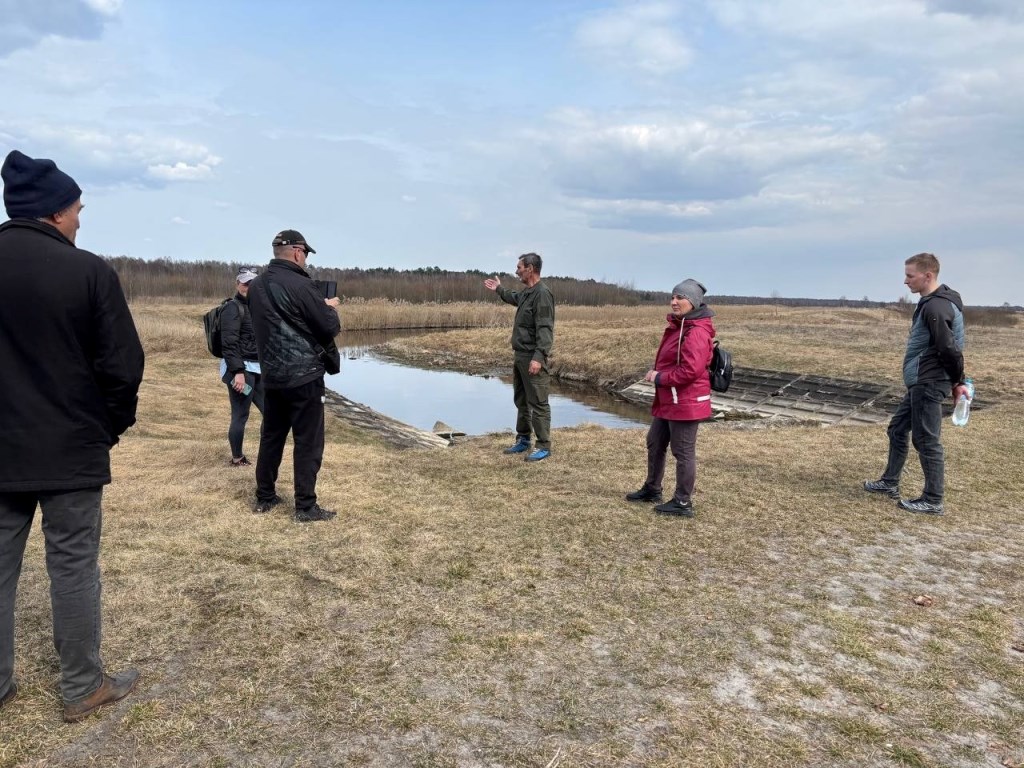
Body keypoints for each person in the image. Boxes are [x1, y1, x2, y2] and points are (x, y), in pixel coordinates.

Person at [0, 150, 145, 721]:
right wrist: (107, 427)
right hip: (71, 449)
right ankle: (82, 687)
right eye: (78, 209)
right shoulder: (87, 271)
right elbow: (123, 367)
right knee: (73, 566)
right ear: (56, 212)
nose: (81, 220)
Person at [247, 230, 341, 522]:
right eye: (306, 254)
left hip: (272, 376)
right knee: (308, 441)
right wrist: (328, 308)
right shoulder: (303, 285)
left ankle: (265, 497)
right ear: (298, 252)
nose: (306, 259)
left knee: (271, 437)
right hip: (304, 375)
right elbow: (328, 328)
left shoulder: (256, 286)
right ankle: (305, 506)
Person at [863, 253, 967, 515]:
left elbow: (949, 348)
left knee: (926, 439)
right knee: (897, 428)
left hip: (928, 380)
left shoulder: (936, 307)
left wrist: (959, 381)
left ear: (927, 275)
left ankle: (932, 499)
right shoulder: (936, 302)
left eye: (910, 275)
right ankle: (889, 482)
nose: (905, 281)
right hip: (923, 380)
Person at [625, 280, 716, 518]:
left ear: (693, 302)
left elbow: (690, 371)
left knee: (683, 451)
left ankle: (683, 502)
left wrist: (660, 377)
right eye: (673, 297)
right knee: (655, 442)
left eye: (680, 298)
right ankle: (652, 489)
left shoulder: (696, 331)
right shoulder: (680, 326)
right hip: (670, 398)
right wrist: (660, 375)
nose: (674, 302)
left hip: (686, 401)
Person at [483, 252, 556, 462]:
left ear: (530, 269)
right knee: (522, 400)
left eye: (519, 268)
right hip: (520, 355)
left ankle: (543, 446)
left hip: (532, 357)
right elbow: (514, 297)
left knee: (538, 402)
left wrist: (538, 357)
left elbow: (545, 329)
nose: (516, 272)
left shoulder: (542, 294)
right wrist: (499, 289)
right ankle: (523, 439)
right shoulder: (527, 293)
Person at [221, 267, 265, 466]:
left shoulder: (259, 308)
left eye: (252, 284)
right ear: (238, 284)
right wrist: (237, 372)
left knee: (271, 412)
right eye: (245, 283)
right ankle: (237, 458)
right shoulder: (232, 308)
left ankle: (267, 454)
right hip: (241, 373)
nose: (248, 287)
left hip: (258, 370)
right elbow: (229, 344)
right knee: (241, 414)